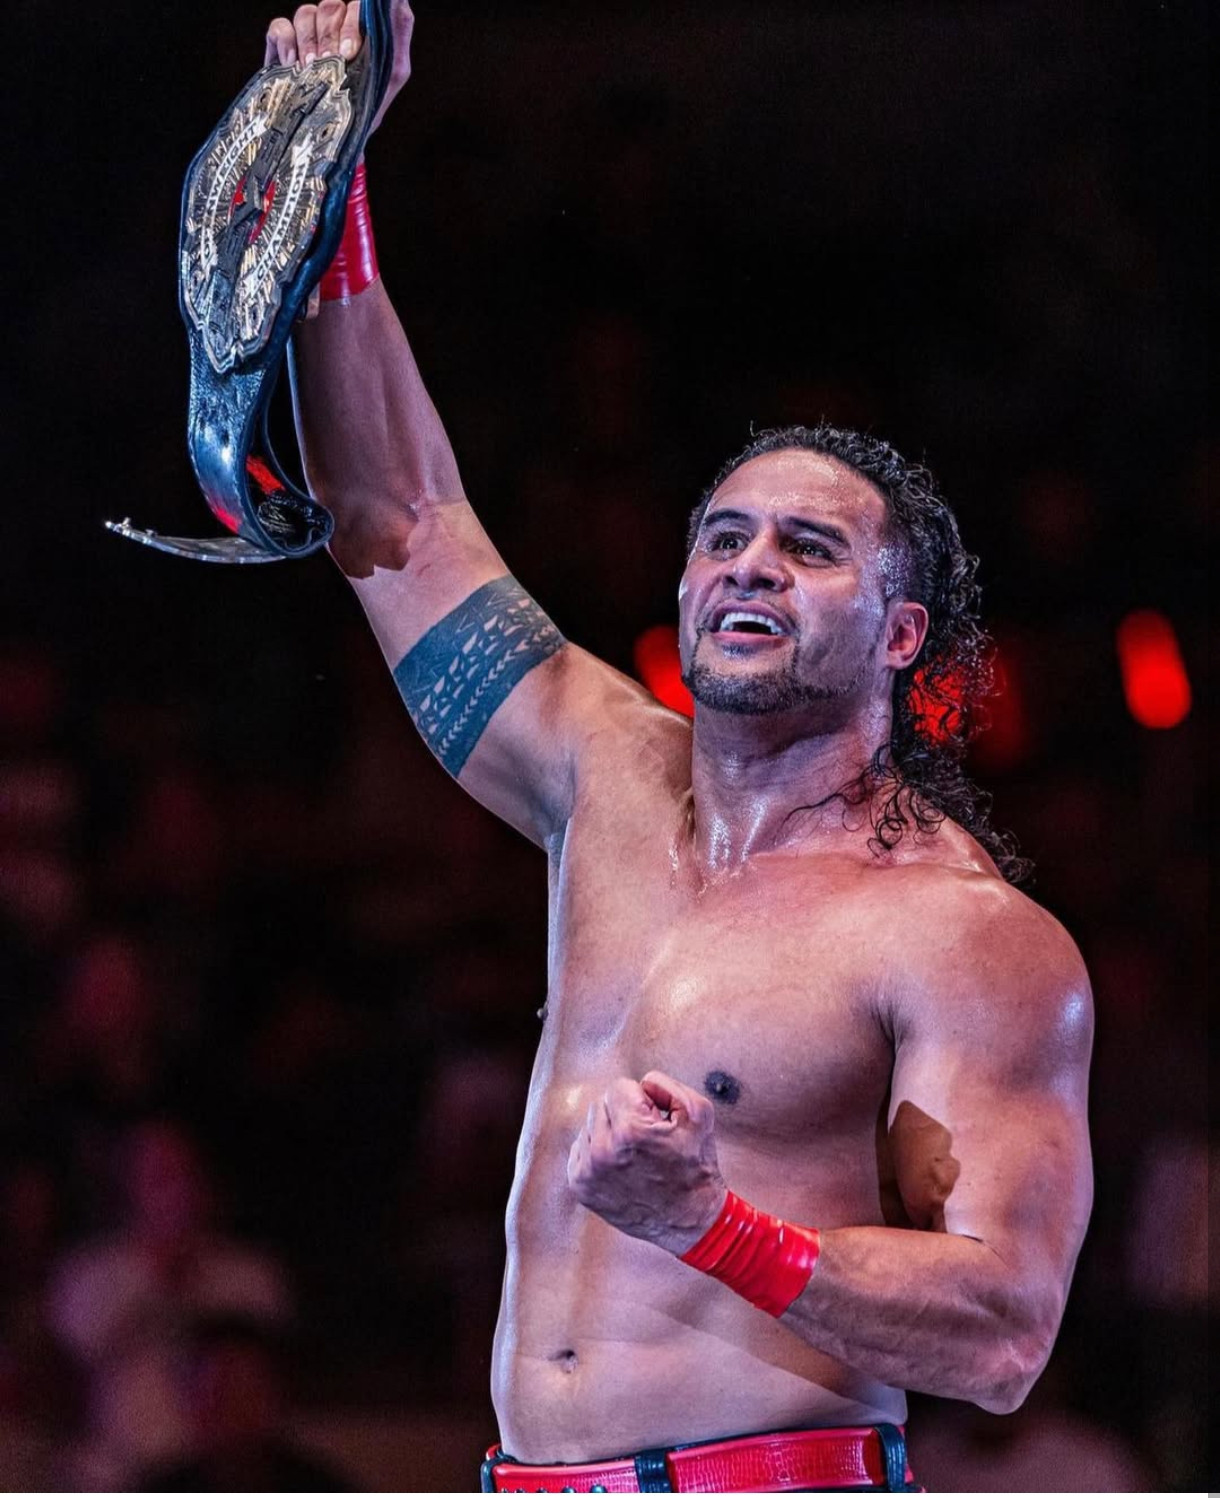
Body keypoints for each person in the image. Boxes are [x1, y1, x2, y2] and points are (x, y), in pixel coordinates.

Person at [264, 4, 1094, 1490]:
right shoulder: (600, 770)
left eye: (809, 548)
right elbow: (402, 520)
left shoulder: (964, 936)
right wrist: (331, 192)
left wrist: (713, 1224)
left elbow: (1002, 1332)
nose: (750, 564)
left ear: (902, 632)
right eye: (724, 536)